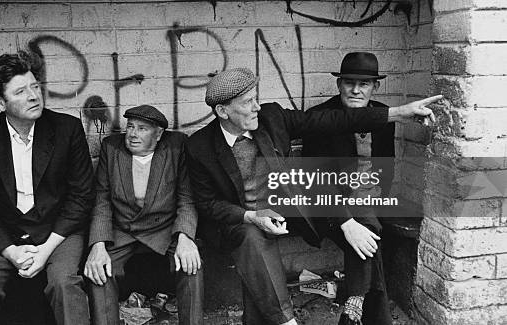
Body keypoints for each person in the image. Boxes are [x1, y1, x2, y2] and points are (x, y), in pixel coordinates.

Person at [185, 67, 441, 325]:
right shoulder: (200, 147)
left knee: (362, 221)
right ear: (222, 111)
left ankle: (357, 310)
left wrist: (399, 113)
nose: (257, 107)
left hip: (287, 207)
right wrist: (252, 216)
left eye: (256, 98)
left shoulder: (273, 117)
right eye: (248, 102)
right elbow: (208, 204)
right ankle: (287, 321)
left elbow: (336, 120)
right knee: (253, 237)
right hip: (243, 219)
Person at [0, 52, 94, 325]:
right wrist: (10, 251)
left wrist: (46, 250)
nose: (34, 96)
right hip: (6, 234)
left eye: (35, 87)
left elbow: (81, 197)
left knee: (64, 284)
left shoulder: (67, 129)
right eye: (21, 91)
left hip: (59, 231)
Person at [85, 105, 203, 325]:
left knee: (192, 264)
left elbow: (187, 199)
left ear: (158, 134)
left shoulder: (176, 148)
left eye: (142, 128)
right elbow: (101, 201)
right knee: (98, 267)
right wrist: (98, 245)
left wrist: (185, 238)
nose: (132, 134)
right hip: (124, 228)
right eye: (130, 127)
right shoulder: (111, 148)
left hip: (164, 228)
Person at [301, 52, 395, 325]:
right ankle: (360, 305)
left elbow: (386, 169)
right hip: (330, 207)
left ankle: (354, 310)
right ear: (339, 84)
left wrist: (378, 203)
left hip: (368, 207)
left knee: (369, 230)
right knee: (370, 232)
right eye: (349, 82)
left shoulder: (383, 117)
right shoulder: (320, 118)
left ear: (375, 87)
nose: (356, 90)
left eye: (364, 84)